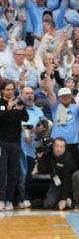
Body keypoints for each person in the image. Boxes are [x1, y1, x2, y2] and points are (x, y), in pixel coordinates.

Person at [0, 80, 28, 211]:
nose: (10, 92)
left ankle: (9, 200)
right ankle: (1, 199)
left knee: (13, 172)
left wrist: (21, 109)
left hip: (15, 143)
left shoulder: (18, 102)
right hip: (1, 143)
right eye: (8, 89)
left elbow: (26, 118)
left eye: (12, 89)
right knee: (1, 171)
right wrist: (7, 108)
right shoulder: (1, 103)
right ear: (2, 91)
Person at [35, 137, 79, 211]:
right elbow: (42, 171)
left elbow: (67, 180)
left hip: (70, 184)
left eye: (61, 147)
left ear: (64, 148)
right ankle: (65, 201)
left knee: (78, 175)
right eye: (57, 146)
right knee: (49, 204)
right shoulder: (48, 155)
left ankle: (74, 202)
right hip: (57, 184)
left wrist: (63, 199)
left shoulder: (68, 159)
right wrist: (40, 157)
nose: (59, 148)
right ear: (53, 147)